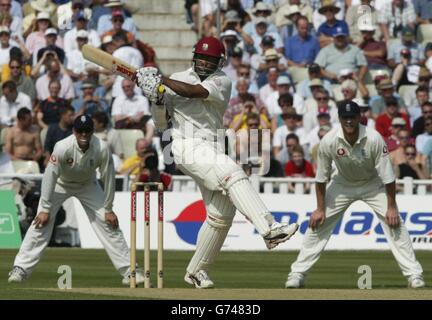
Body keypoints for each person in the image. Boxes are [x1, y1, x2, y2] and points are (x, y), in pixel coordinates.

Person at [136, 36, 299, 288]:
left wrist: (161, 81)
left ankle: (196, 271)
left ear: (219, 61)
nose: (203, 63)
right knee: (231, 171)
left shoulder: (221, 81)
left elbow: (194, 92)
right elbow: (160, 124)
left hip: (211, 146)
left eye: (209, 59)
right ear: (194, 57)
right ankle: (269, 229)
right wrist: (156, 99)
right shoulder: (178, 78)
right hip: (185, 145)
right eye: (201, 58)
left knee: (221, 213)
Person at [285, 100, 425, 289]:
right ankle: (297, 275)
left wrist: (392, 207)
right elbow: (321, 178)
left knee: (395, 223)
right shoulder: (329, 140)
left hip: (372, 184)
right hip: (342, 183)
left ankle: (414, 276)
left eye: (352, 117)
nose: (349, 121)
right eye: (345, 117)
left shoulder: (374, 138)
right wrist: (319, 209)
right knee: (318, 224)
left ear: (359, 117)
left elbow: (388, 178)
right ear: (340, 118)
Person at [8, 114, 144, 285]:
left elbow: (108, 178)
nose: (84, 135)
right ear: (74, 131)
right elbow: (50, 177)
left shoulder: (101, 148)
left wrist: (108, 210)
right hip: (60, 183)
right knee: (41, 222)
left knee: (108, 223)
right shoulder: (62, 147)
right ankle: (20, 268)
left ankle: (131, 271)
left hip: (88, 185)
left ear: (93, 131)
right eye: (80, 131)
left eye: (87, 131)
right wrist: (44, 209)